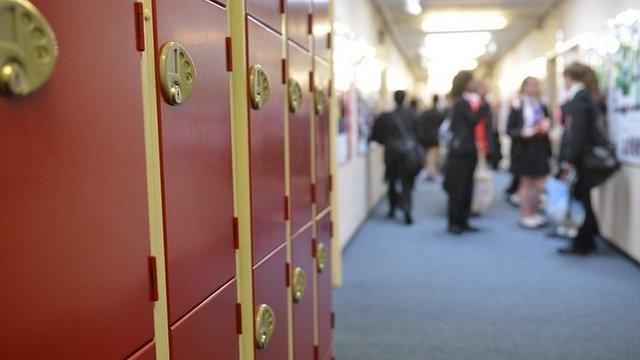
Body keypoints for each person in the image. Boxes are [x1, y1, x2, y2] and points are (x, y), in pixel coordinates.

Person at [558, 63, 603, 255]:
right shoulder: (586, 97)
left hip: (580, 158)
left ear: (569, 77)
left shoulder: (578, 99)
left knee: (581, 198)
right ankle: (588, 236)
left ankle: (584, 240)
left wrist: (568, 160)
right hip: (584, 156)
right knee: (583, 197)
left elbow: (577, 134)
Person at [444, 71, 487, 234]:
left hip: (466, 149)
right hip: (461, 151)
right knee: (459, 186)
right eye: (472, 81)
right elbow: (473, 120)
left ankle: (462, 219)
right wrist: (482, 103)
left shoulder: (461, 101)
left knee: (467, 185)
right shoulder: (460, 102)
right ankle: (455, 220)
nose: (474, 84)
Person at [507, 77, 552, 229]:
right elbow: (509, 129)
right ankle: (526, 215)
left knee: (540, 182)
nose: (534, 88)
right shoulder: (517, 104)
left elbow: (549, 121)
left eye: (536, 85)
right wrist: (522, 132)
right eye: (531, 85)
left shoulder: (542, 104)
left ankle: (535, 212)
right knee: (526, 182)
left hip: (540, 146)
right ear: (524, 87)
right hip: (524, 148)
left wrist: (546, 126)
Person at [370, 90, 421, 225]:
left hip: (391, 152)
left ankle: (392, 208)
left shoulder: (387, 116)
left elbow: (377, 135)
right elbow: (418, 133)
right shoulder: (412, 114)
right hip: (407, 153)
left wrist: (389, 142)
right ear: (405, 99)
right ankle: (407, 209)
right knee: (406, 182)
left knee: (392, 180)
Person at [419, 94, 445, 181]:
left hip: (427, 137)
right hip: (435, 137)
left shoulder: (426, 113)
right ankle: (432, 172)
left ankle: (431, 172)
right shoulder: (439, 113)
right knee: (433, 155)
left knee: (430, 155)